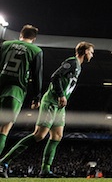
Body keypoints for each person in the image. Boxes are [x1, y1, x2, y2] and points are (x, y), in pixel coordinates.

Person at [0, 41, 95, 178]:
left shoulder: (79, 67)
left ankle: (45, 170)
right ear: (85, 52)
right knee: (39, 135)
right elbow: (55, 76)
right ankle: (4, 162)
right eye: (91, 52)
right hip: (51, 101)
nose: (92, 55)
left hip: (60, 106)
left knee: (57, 135)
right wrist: (61, 95)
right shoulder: (72, 62)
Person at [0, 25, 43, 157]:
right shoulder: (36, 50)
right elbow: (37, 75)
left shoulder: (5, 44)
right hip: (15, 91)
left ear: (20, 34)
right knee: (3, 130)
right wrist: (37, 97)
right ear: (34, 38)